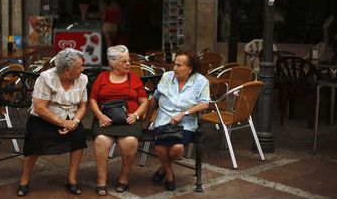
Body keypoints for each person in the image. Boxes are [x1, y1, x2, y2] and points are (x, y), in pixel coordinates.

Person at [17, 48, 88, 196]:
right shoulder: (46, 78)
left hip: (70, 119)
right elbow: (40, 107)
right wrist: (62, 123)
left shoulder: (82, 79)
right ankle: (25, 179)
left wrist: (74, 122)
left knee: (79, 134)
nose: (83, 69)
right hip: (43, 119)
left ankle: (72, 179)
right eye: (79, 66)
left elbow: (82, 106)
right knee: (35, 137)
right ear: (67, 71)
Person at [144, 50, 210, 191]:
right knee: (160, 146)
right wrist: (147, 120)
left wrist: (184, 113)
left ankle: (163, 168)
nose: (175, 68)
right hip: (163, 120)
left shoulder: (201, 81)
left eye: (179, 65)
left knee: (177, 148)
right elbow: (154, 98)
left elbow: (205, 104)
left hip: (185, 123)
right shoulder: (167, 77)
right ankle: (169, 173)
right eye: (174, 64)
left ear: (190, 68)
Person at [89, 45, 149, 196]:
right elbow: (92, 100)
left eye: (128, 60)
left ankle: (124, 177)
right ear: (112, 63)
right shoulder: (102, 77)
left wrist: (136, 115)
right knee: (101, 140)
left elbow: (144, 101)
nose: (128, 64)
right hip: (105, 120)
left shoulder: (134, 78)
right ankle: (101, 180)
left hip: (129, 120)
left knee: (130, 142)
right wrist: (100, 116)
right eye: (124, 61)